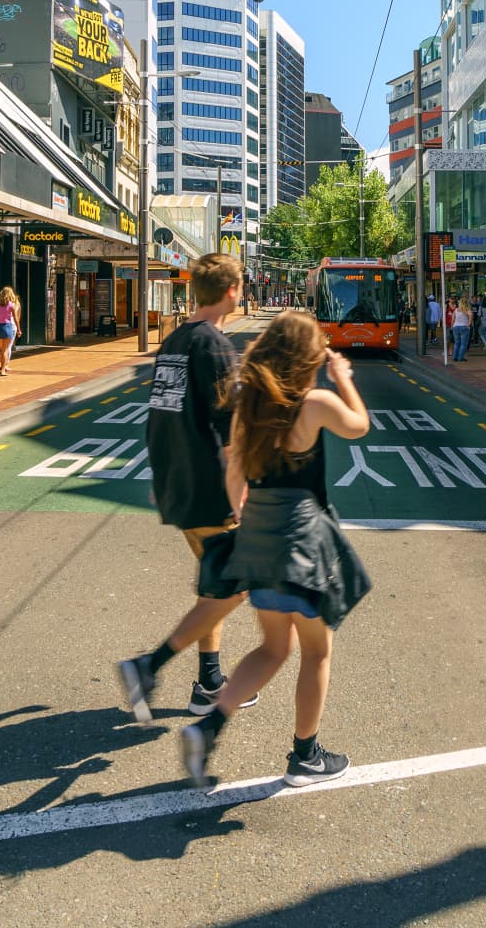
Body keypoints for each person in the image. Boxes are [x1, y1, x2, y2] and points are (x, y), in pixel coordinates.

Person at [179, 310, 372, 789]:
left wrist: (241, 515)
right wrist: (343, 378)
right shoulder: (314, 403)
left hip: (260, 539)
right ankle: (305, 756)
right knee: (316, 652)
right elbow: (359, 426)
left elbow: (234, 472)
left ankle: (209, 725)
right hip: (303, 544)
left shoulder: (248, 405)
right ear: (308, 358)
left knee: (272, 647)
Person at [116, 252, 258, 724]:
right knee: (230, 589)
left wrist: (161, 478)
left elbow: (159, 417)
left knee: (214, 586)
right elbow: (230, 426)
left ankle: (210, 681)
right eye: (240, 286)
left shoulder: (175, 341)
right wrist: (239, 487)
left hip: (178, 479)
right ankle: (149, 666)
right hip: (209, 486)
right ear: (231, 291)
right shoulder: (214, 346)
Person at [0, 286, 21, 376]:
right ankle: (3, 370)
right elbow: (15, 318)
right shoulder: (11, 305)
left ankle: (2, 366)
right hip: (7, 327)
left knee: (2, 349)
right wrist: (19, 329)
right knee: (5, 349)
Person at [448, 296, 472, 362]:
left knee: (456, 343)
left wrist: (452, 327)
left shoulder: (456, 310)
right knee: (463, 344)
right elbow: (470, 318)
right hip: (464, 327)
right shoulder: (468, 310)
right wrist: (468, 325)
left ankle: (455, 357)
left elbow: (453, 320)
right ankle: (461, 357)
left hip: (456, 327)